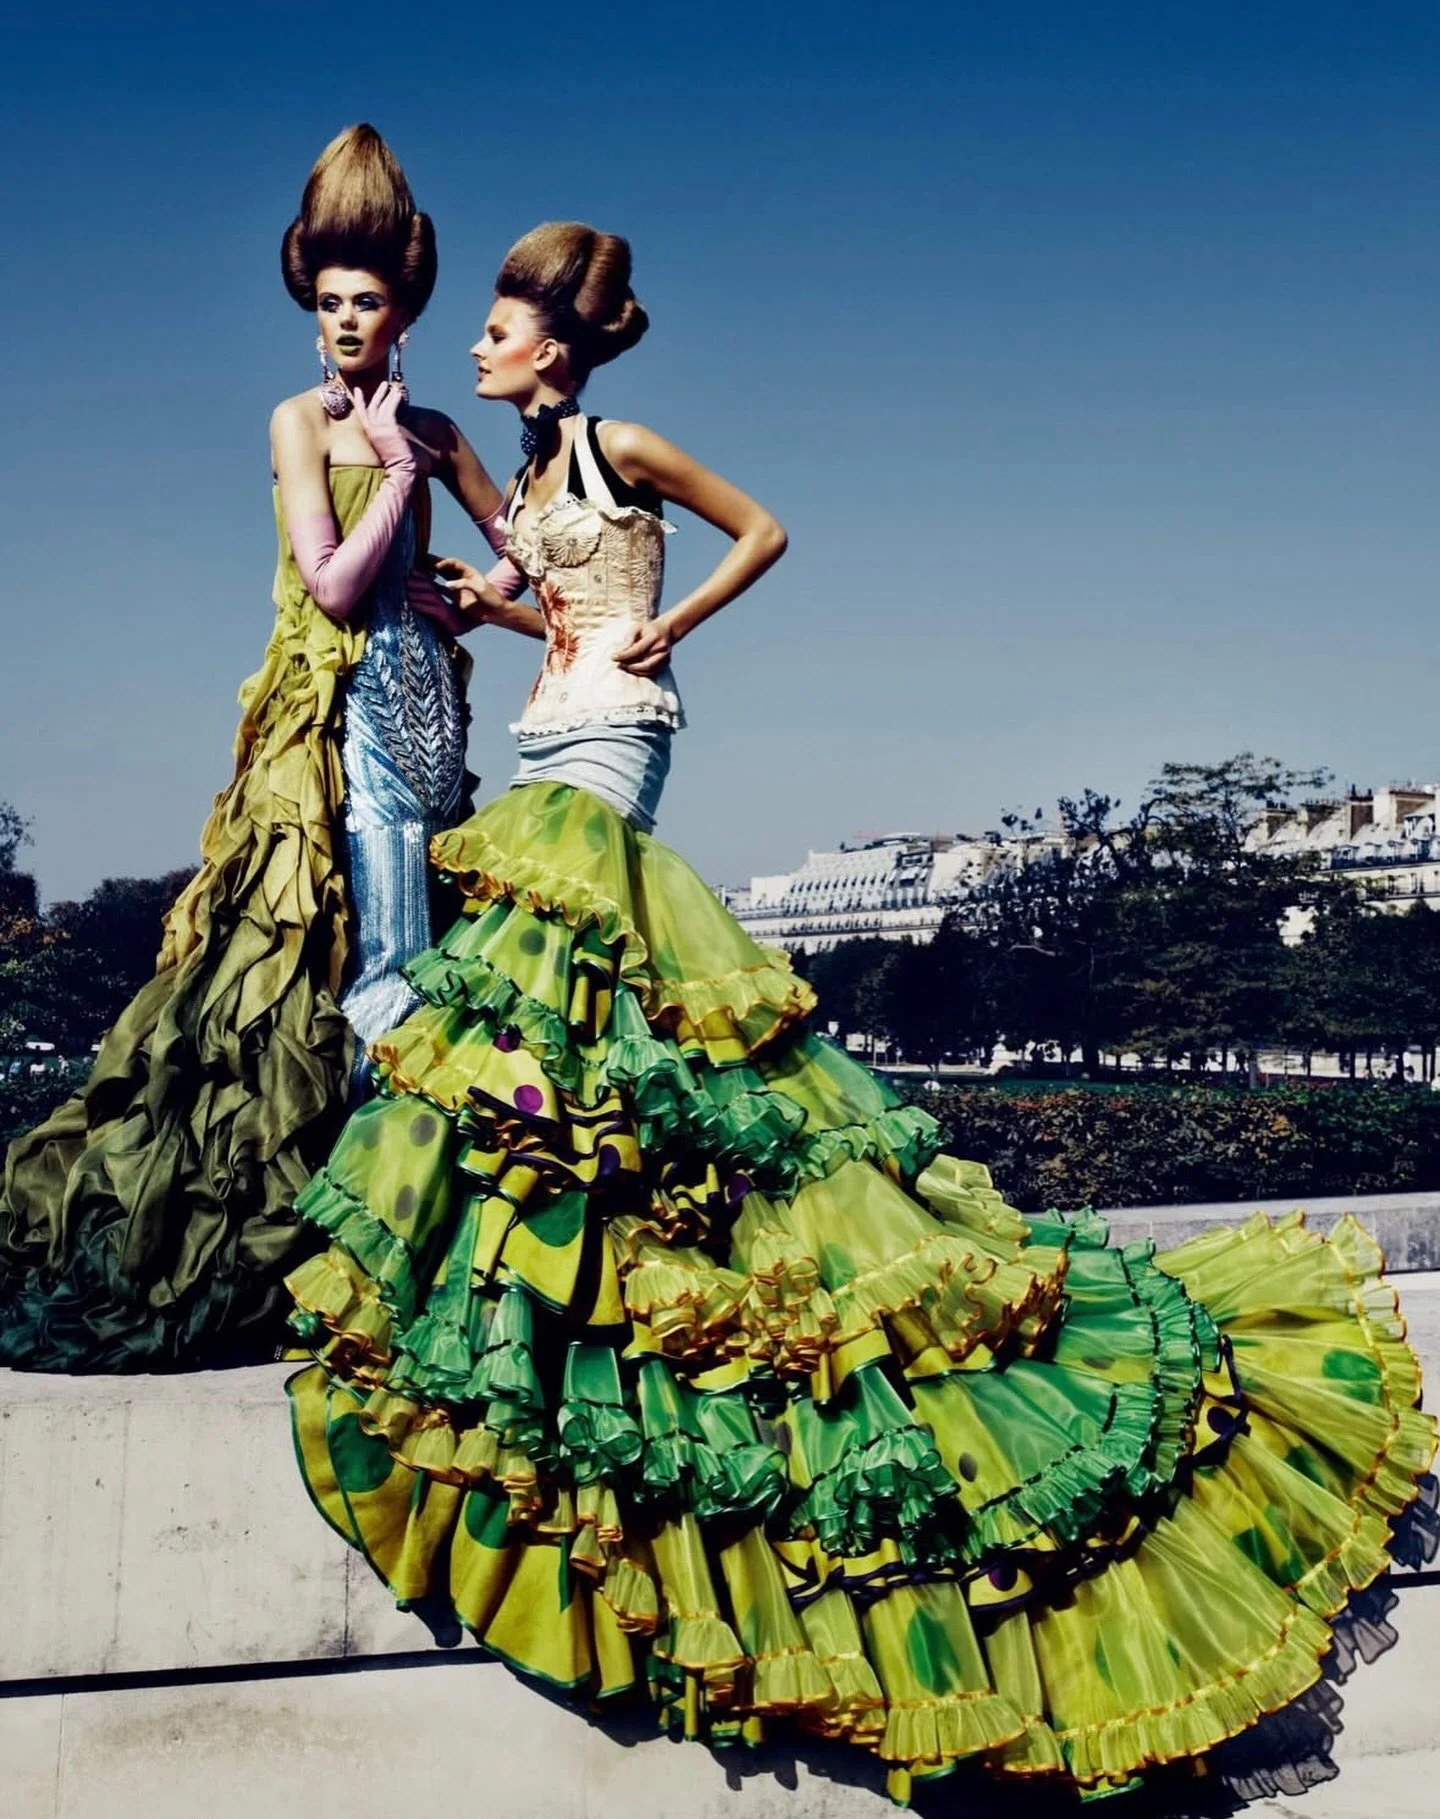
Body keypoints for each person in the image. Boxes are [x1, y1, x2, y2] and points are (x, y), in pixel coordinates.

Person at [284, 221, 1436, 1803]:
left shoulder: (621, 442)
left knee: (558, 991)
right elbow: (526, 582)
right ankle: (597, 1284)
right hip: (554, 720)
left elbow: (763, 529)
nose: (479, 345)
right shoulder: (535, 471)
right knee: (566, 1035)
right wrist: (488, 594)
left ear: (559, 343)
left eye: (497, 327)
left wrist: (664, 633)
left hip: (614, 737)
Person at [0, 125, 526, 1372]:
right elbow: (333, 586)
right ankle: (342, 1238)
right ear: (313, 315)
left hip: (423, 707)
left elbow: (534, 551)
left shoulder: (443, 425)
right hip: (323, 723)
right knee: (321, 954)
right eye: (331, 304)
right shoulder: (302, 424)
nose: (347, 322)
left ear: (402, 314)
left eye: (370, 304)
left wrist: (478, 594)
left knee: (425, 941)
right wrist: (395, 477)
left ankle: (420, 1225)